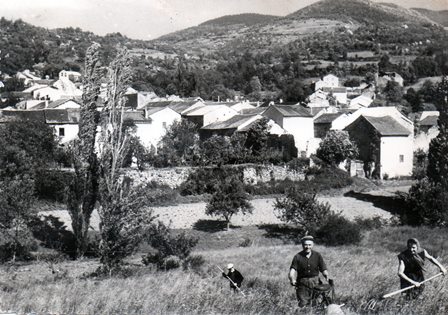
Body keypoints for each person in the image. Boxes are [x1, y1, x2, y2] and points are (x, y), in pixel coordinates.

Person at [289, 235, 330, 307]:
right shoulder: (297, 256)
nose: (307, 247)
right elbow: (292, 270)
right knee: (303, 304)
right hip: (302, 283)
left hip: (315, 282)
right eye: (305, 245)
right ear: (302, 245)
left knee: (316, 302)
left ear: (313, 245)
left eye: (309, 245)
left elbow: (323, 268)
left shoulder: (317, 255)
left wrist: (326, 275)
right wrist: (292, 279)